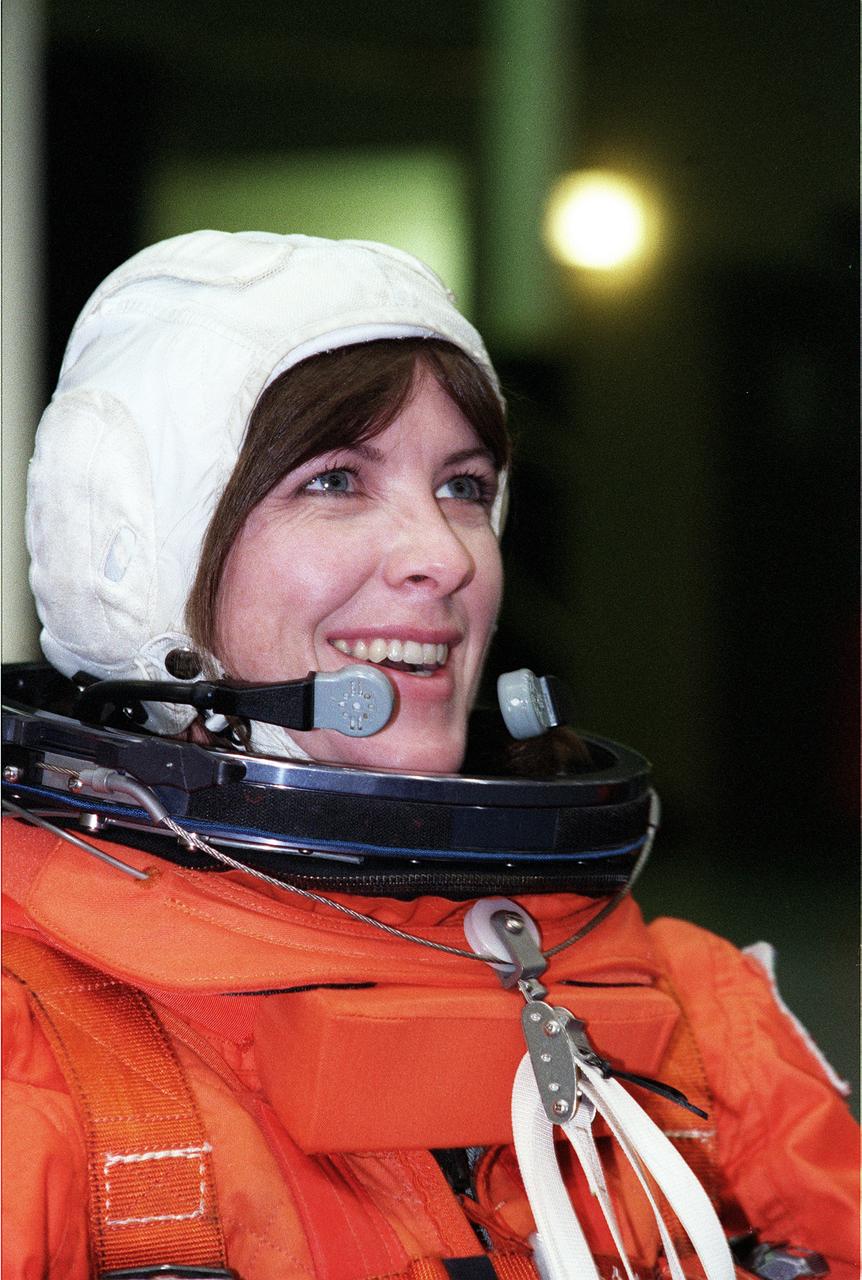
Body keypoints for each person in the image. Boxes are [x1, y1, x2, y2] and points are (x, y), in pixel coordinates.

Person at [2, 231, 857, 1280]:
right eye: (333, 481)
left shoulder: (696, 1017)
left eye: (462, 486)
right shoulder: (29, 1040)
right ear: (139, 556)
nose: (445, 558)